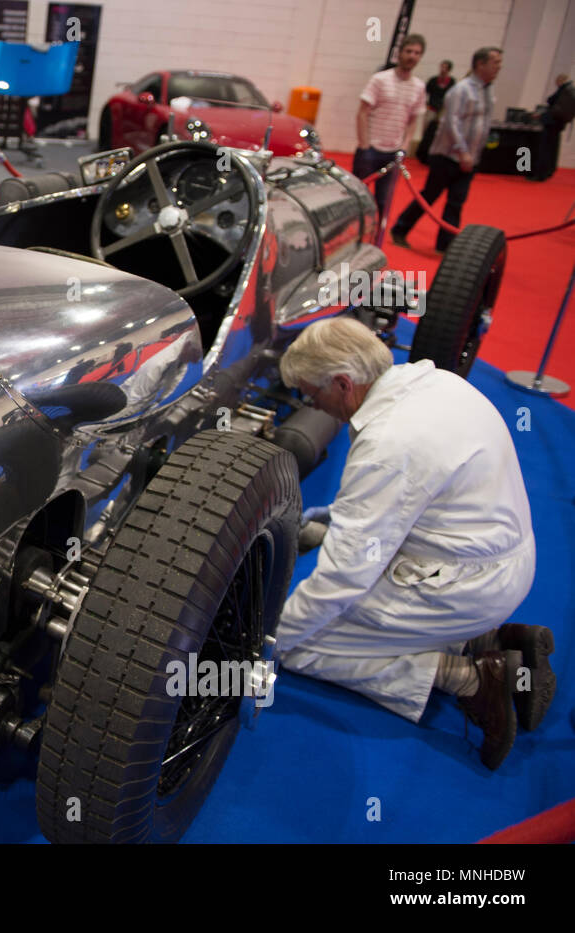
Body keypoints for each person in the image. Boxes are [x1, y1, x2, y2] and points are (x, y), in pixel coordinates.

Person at [275, 318, 552, 770]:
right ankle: (493, 638)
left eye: (312, 394)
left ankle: (473, 679)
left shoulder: (388, 444)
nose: (314, 406)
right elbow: (410, 503)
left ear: (343, 383)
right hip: (500, 561)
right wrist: (328, 523)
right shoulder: (435, 381)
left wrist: (274, 636)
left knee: (306, 646)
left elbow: (343, 578)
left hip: (465, 586)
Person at [391, 47, 502, 253]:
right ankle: (400, 228)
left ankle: (445, 245)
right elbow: (451, 123)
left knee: (456, 202)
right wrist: (463, 153)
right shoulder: (461, 90)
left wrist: (475, 154)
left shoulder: (489, 90)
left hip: (471, 159)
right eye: (495, 62)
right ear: (480, 64)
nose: (499, 66)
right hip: (447, 156)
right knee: (430, 195)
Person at [355, 34, 427, 222]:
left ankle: (376, 237)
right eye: (408, 51)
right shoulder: (380, 79)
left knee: (383, 201)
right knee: (357, 198)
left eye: (417, 53)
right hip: (370, 150)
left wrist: (404, 146)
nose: (412, 56)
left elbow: (413, 120)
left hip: (394, 153)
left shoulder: (419, 87)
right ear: (400, 53)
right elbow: (363, 112)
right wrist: (364, 145)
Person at [534, 73, 575, 181]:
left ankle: (541, 173)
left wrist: (543, 115)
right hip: (558, 124)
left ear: (560, 80)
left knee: (546, 149)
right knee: (552, 148)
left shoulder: (565, 90)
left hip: (552, 123)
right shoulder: (570, 91)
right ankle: (548, 171)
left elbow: (553, 104)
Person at [416, 59, 455, 163]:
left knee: (438, 132)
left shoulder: (451, 82)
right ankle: (423, 151)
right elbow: (424, 93)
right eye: (441, 67)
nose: (442, 69)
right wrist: (425, 104)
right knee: (426, 130)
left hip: (443, 110)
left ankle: (434, 153)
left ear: (449, 70)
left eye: (445, 68)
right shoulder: (433, 80)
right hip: (431, 108)